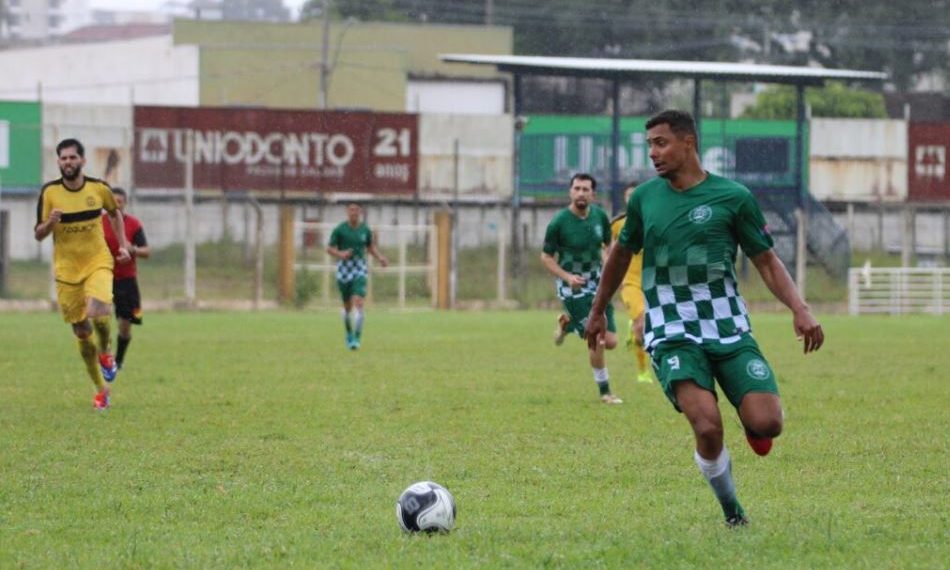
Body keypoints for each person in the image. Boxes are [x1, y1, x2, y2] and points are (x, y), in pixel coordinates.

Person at [585, 110, 824, 527]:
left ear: (689, 143)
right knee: (708, 427)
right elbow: (620, 257)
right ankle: (733, 512)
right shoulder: (644, 199)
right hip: (671, 329)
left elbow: (766, 260)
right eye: (649, 146)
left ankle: (754, 425)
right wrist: (597, 311)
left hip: (727, 324)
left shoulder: (733, 197)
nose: (653, 154)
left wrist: (799, 309)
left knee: (768, 423)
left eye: (661, 143)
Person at [34, 138, 131, 410]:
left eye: (72, 158)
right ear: (58, 162)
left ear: (82, 161)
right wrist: (50, 224)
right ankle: (101, 390)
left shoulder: (99, 188)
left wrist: (122, 246)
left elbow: (115, 214)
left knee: (100, 313)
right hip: (67, 271)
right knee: (81, 331)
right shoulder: (50, 193)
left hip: (97, 260)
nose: (68, 162)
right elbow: (39, 234)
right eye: (63, 158)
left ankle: (107, 352)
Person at [542, 173, 622, 405]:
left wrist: (608, 261)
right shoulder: (559, 222)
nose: (580, 193)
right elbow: (546, 257)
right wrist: (567, 277)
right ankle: (605, 391)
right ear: (570, 191)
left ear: (593, 194)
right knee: (596, 338)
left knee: (613, 341)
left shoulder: (599, 217)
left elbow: (608, 246)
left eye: (585, 189)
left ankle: (566, 326)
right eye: (576, 188)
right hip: (573, 289)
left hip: (598, 284)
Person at [327, 203, 389, 350]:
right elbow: (329, 248)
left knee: (358, 301)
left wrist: (380, 258)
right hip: (344, 269)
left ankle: (357, 338)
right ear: (347, 212)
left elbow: (370, 247)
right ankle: (349, 334)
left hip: (360, 267)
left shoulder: (365, 230)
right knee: (347, 307)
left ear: (360, 212)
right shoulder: (340, 230)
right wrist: (341, 254)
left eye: (356, 210)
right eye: (351, 210)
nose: (354, 212)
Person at [102, 187, 150, 371]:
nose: (116, 205)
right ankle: (104, 356)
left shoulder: (133, 225)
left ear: (125, 203)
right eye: (112, 202)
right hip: (103, 278)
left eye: (119, 202)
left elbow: (147, 251)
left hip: (126, 281)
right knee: (99, 319)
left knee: (125, 325)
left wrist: (133, 249)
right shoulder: (98, 223)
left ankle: (119, 360)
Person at [610, 182, 653, 384]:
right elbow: (609, 254)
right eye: (629, 195)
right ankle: (643, 372)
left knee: (646, 328)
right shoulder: (618, 224)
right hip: (631, 283)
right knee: (642, 324)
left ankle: (632, 326)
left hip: (654, 283)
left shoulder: (655, 221)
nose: (632, 198)